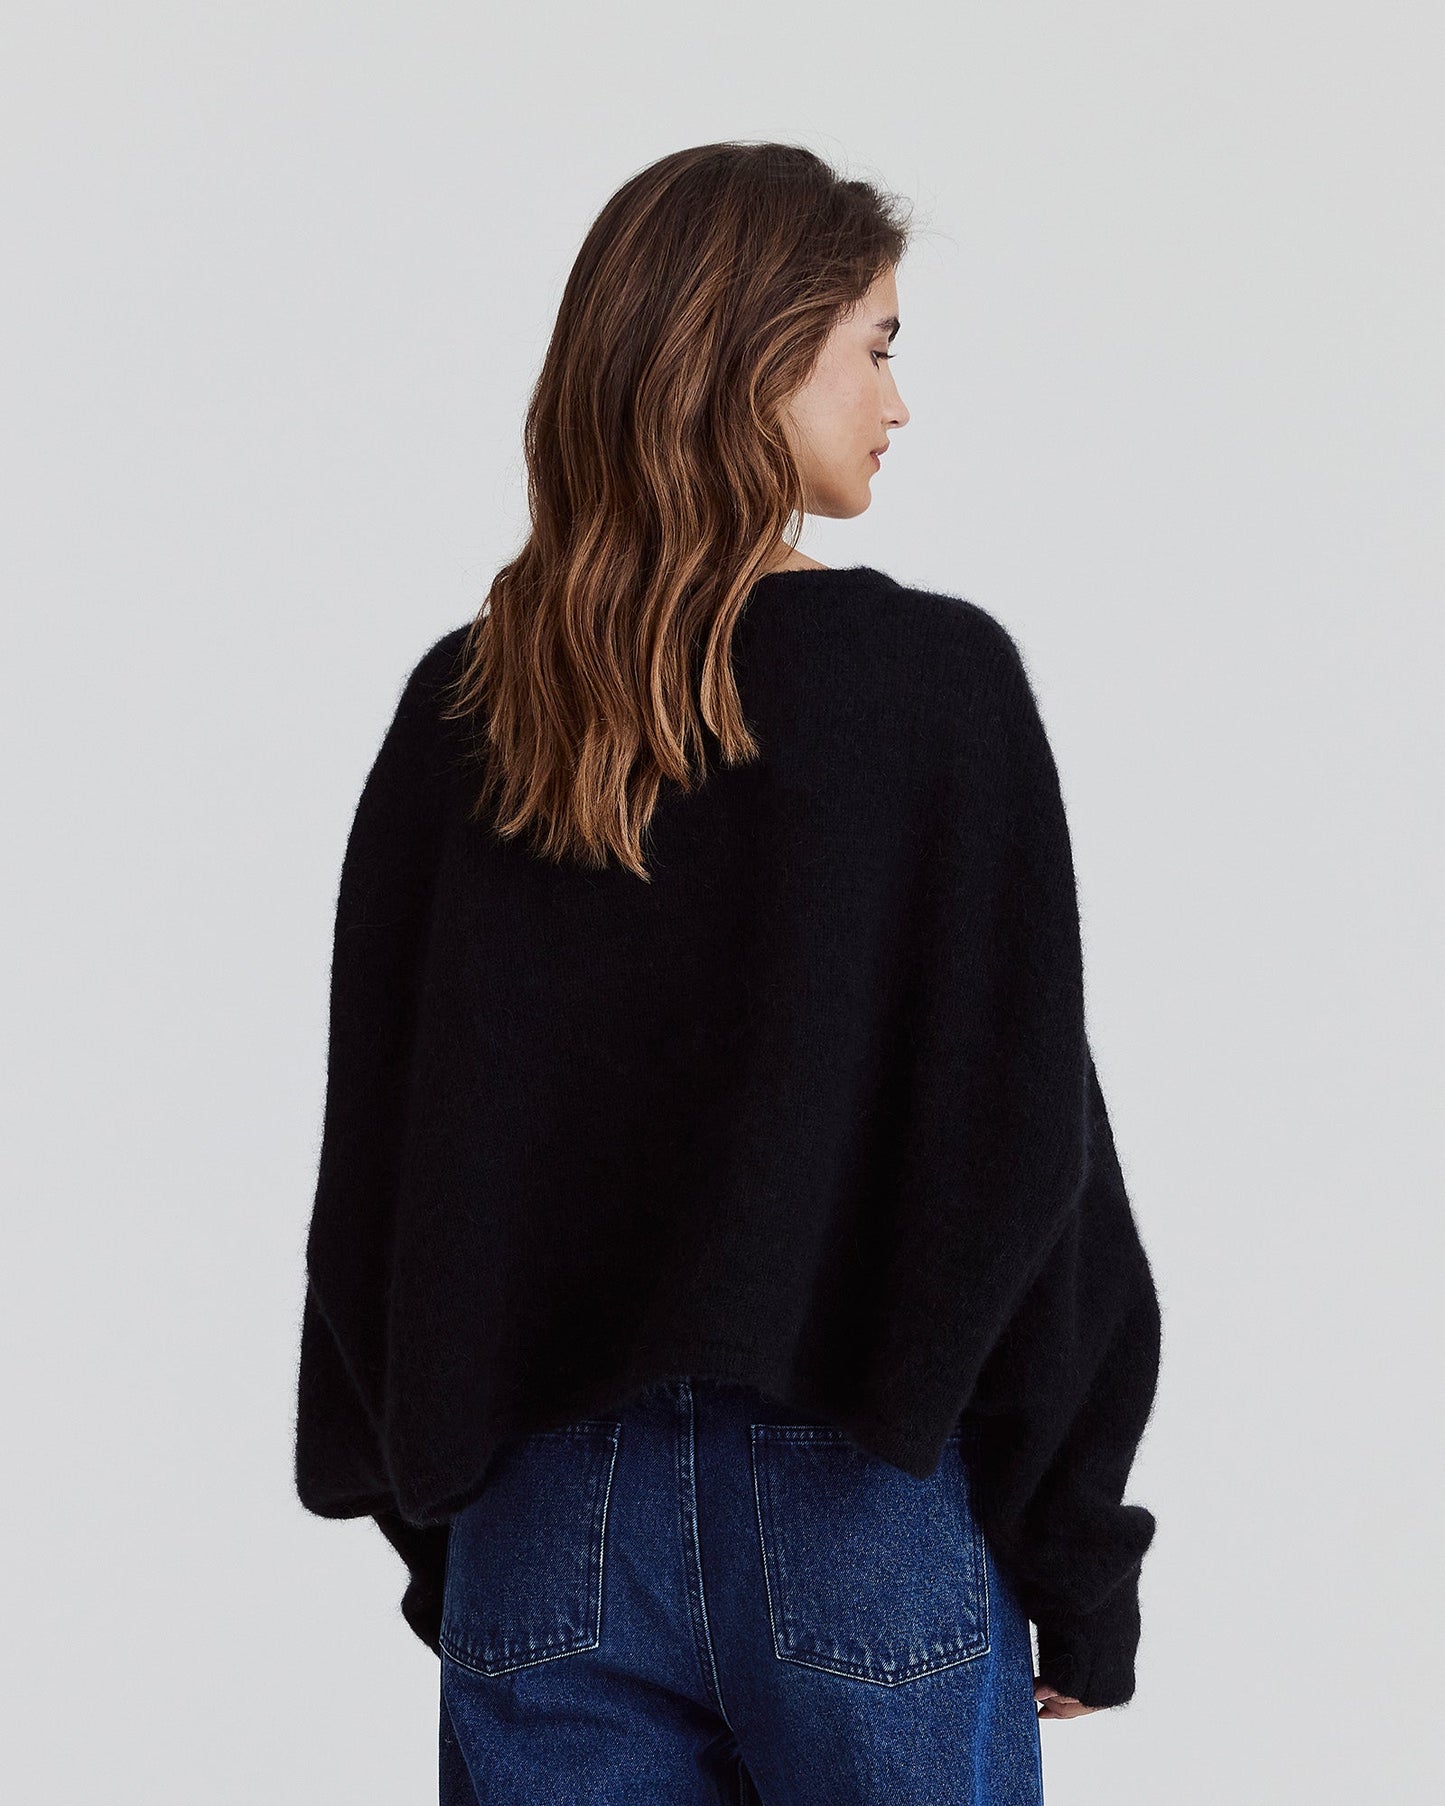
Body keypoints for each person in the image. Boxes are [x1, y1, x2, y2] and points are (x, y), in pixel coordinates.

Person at [294, 141, 1162, 1804]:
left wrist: (450, 1524)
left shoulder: (471, 704)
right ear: (759, 353)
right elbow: (1024, 1156)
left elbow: (379, 1174)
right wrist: (1075, 1557)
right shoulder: (933, 687)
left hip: (540, 1518)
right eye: (875, 346)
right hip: (861, 1513)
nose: (897, 404)